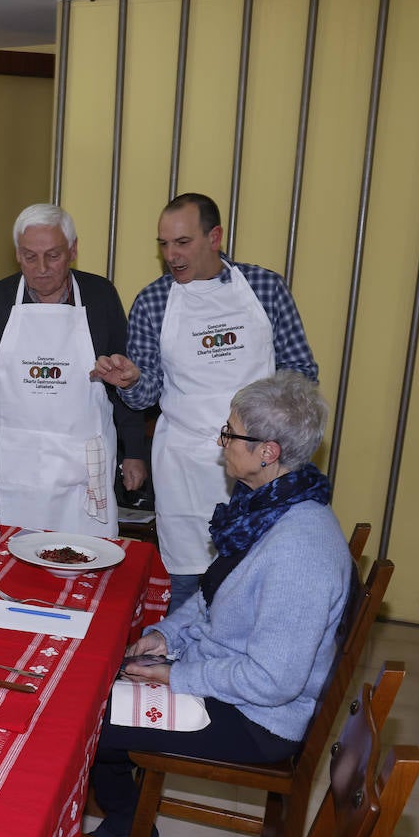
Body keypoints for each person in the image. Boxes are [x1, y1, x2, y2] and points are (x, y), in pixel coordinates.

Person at [87, 371, 351, 837]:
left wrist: (178, 676)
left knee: (85, 721)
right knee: (91, 683)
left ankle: (127, 828)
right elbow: (216, 594)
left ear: (267, 451)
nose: (221, 441)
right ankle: (127, 819)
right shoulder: (266, 507)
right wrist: (168, 637)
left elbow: (274, 681)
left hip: (257, 720)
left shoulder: (300, 549)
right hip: (229, 680)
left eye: (231, 433)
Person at [93, 193, 317, 611]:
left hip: (260, 462)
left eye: (182, 242)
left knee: (256, 583)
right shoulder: (153, 301)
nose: (171, 255)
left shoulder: (265, 288)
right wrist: (132, 380)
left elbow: (301, 371)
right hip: (184, 462)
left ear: (214, 237)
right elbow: (146, 396)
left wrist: (268, 434)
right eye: (164, 244)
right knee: (186, 585)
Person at [0, 203, 146, 537]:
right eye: (30, 257)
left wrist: (135, 451)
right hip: (10, 472)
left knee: (86, 556)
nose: (41, 268)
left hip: (81, 474)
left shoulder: (100, 298)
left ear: (73, 250)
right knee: (7, 555)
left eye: (53, 256)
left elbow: (122, 378)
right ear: (17, 254)